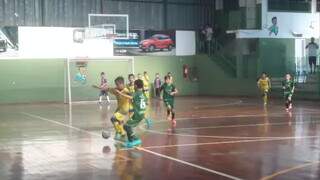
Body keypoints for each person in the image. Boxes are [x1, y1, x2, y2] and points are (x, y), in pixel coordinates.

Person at [117, 79, 151, 148]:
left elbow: (131, 97)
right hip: (141, 113)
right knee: (128, 126)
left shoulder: (137, 92)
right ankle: (130, 141)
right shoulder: (143, 94)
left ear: (135, 85)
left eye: (134, 85)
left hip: (138, 115)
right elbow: (147, 103)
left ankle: (136, 139)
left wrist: (121, 93)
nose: (133, 87)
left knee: (126, 126)